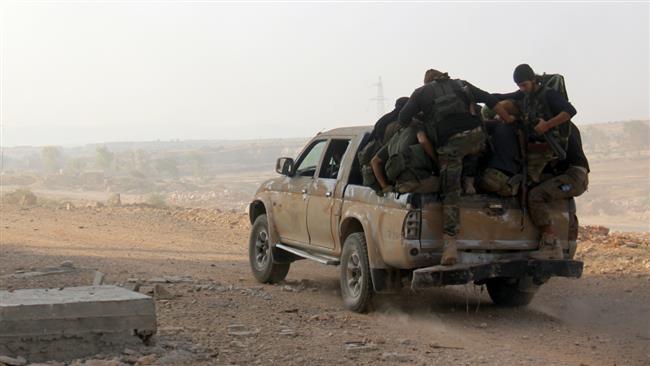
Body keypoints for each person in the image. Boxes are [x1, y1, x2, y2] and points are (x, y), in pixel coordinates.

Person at [398, 69, 513, 265]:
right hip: (476, 137)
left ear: (427, 83)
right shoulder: (460, 84)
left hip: (450, 145)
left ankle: (450, 245)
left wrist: (420, 121)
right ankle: (469, 182)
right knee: (474, 147)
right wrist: (509, 120)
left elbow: (402, 118)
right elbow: (489, 99)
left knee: (450, 193)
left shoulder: (421, 93)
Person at [494, 64, 577, 183]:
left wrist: (547, 125)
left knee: (528, 180)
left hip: (546, 144)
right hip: (531, 141)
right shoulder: (526, 95)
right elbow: (502, 97)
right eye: (519, 86)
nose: (522, 89)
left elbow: (570, 111)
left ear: (533, 80)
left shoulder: (548, 94)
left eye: (524, 85)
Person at [528, 121, 589, 259]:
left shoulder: (555, 126)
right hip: (575, 175)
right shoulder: (567, 125)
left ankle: (551, 245)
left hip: (573, 178)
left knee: (536, 195)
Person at [370, 122, 437, 194]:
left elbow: (374, 161)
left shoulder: (393, 139)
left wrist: (385, 187)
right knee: (443, 182)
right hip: (417, 181)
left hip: (400, 186)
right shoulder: (417, 129)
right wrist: (437, 163)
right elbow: (423, 141)